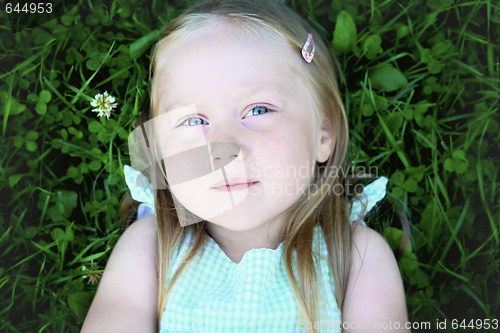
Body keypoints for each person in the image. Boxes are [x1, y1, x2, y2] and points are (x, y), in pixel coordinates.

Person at [81, 0, 409, 332]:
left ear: (323, 134)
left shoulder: (356, 257)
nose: (225, 147)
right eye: (194, 121)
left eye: (258, 110)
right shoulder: (149, 249)